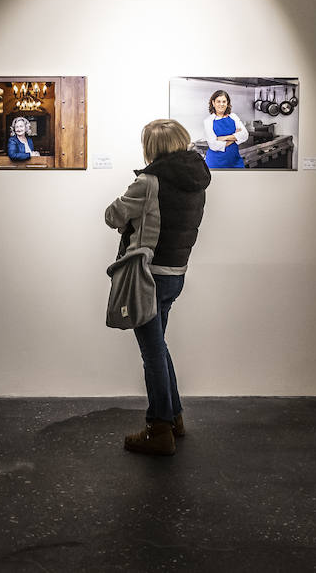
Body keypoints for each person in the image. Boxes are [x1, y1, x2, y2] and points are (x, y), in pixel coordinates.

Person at [104, 118, 212, 456]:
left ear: (152, 146)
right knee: (159, 347)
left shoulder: (149, 182)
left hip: (146, 275)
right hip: (175, 273)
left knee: (152, 353)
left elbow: (112, 215)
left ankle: (159, 428)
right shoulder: (197, 180)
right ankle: (174, 417)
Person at [201, 90, 247, 169]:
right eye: (218, 101)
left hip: (235, 161)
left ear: (227, 103)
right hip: (215, 163)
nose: (221, 104)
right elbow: (213, 145)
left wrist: (224, 138)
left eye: (224, 101)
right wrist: (235, 137)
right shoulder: (208, 121)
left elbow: (245, 135)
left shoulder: (233, 116)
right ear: (213, 103)